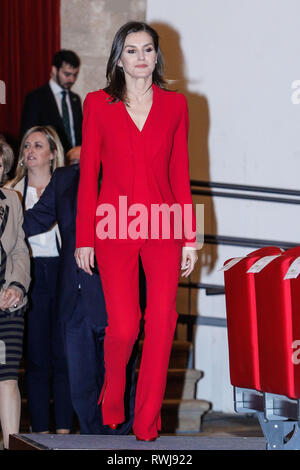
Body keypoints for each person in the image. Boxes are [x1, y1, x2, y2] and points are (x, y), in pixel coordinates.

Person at [75, 21, 198, 441]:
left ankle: (146, 422)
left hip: (163, 227)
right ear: (118, 57)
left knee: (163, 321)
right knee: (125, 327)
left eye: (147, 49)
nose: (141, 57)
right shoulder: (97, 103)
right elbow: (88, 172)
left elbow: (181, 175)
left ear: (156, 56)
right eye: (131, 50)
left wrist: (190, 238)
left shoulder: (176, 105)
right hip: (113, 228)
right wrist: (84, 238)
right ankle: (114, 391)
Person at [22, 163, 136, 435]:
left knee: (118, 384)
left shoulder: (129, 170)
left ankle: (118, 445)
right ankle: (92, 440)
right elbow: (35, 220)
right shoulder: (65, 177)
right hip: (72, 299)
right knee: (81, 388)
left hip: (116, 296)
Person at [7, 126, 73, 434]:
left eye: (37, 145)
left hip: (62, 272)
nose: (30, 150)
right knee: (35, 357)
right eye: (26, 146)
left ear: (53, 153)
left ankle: (63, 429)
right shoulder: (12, 191)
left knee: (62, 354)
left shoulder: (69, 186)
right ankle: (40, 430)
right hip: (28, 275)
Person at [0, 141, 31, 450]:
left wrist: (16, 287)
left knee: (8, 376)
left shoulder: (12, 199)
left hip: (8, 303)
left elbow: (20, 249)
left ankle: (10, 445)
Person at [20, 50, 83, 155]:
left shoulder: (75, 99)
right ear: (54, 70)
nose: (71, 79)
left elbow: (79, 133)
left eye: (75, 75)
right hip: (48, 161)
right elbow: (28, 135)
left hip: (74, 163)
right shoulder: (36, 97)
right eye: (67, 74)